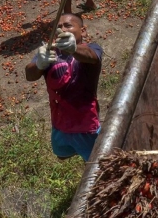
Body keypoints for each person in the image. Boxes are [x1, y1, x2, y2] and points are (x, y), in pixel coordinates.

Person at [25, 13, 103, 161]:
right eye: (58, 27)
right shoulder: (48, 52)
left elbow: (91, 56)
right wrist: (39, 64)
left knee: (96, 164)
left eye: (68, 25)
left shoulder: (91, 48)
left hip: (85, 125)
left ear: (83, 31)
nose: (62, 29)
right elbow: (29, 75)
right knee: (62, 155)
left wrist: (74, 49)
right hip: (59, 124)